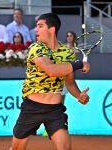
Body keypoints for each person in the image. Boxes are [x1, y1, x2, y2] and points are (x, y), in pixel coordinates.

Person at [11, 13, 90, 150]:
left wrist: (79, 96)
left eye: (40, 26)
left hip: (55, 110)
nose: (36, 30)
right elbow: (51, 70)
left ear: (51, 29)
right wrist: (78, 64)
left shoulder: (67, 53)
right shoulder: (36, 48)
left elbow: (69, 82)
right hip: (31, 108)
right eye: (36, 26)